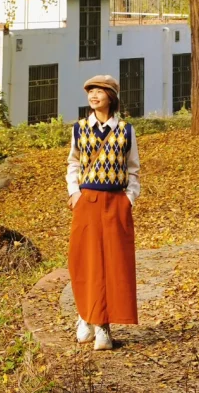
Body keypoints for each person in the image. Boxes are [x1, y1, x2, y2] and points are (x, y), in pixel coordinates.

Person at [66, 73, 140, 351]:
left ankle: (103, 327)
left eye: (100, 91)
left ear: (111, 96)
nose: (94, 95)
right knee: (83, 260)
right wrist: (75, 193)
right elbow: (73, 163)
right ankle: (86, 316)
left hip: (115, 203)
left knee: (114, 264)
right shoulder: (79, 128)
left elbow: (133, 169)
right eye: (91, 91)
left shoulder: (126, 130)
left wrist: (129, 199)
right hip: (86, 201)